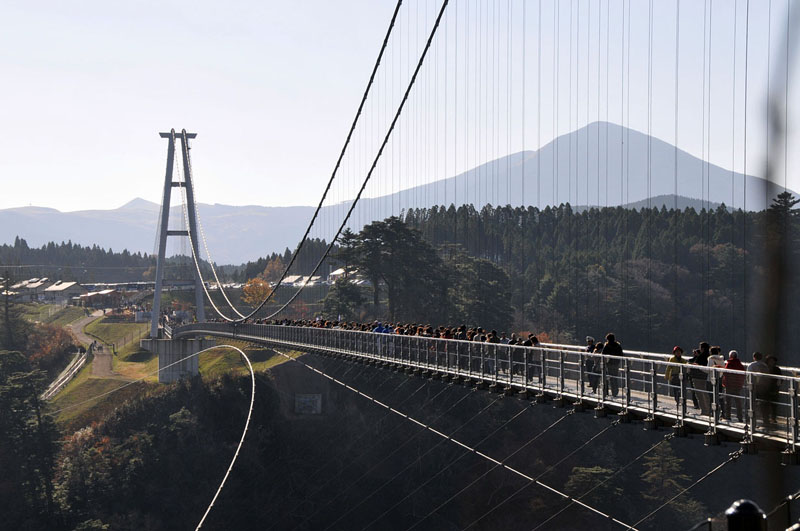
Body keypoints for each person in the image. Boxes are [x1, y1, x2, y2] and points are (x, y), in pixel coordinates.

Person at [722, 351, 745, 422]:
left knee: (728, 402)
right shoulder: (740, 364)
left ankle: (728, 416)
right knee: (738, 402)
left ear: (730, 356)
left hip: (729, 385)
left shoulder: (729, 363)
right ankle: (740, 417)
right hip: (737, 385)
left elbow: (725, 373)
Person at [601, 333, 623, 398]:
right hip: (616, 363)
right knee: (615, 377)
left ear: (608, 339)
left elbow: (603, 354)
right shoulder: (618, 346)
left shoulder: (607, 346)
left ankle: (613, 391)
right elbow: (621, 354)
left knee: (611, 377)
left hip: (609, 364)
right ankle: (616, 390)